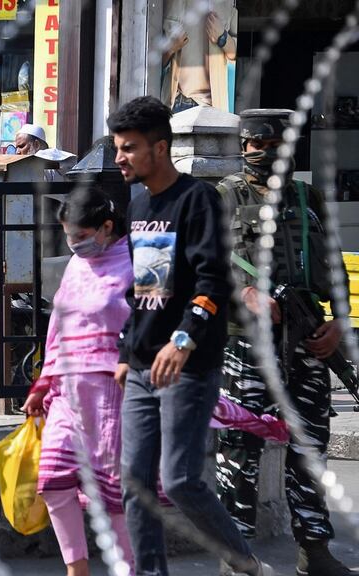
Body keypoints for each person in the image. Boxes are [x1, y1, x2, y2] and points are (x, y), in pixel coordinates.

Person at [109, 96, 273, 576]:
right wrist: (126, 351)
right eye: (118, 147)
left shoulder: (197, 201)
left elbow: (213, 283)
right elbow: (148, 286)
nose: (120, 158)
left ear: (161, 148)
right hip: (142, 367)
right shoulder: (139, 203)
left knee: (179, 480)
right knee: (135, 483)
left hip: (188, 365)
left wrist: (181, 342)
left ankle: (245, 563)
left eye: (129, 148)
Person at [215, 109, 355, 576]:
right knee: (241, 447)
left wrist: (339, 320)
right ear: (244, 145)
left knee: (311, 445)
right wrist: (245, 292)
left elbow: (331, 261)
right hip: (247, 344)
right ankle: (237, 557)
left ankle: (315, 551)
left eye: (275, 147)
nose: (263, 155)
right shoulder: (224, 197)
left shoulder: (306, 196)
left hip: (308, 340)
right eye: (256, 146)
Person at [21, 186, 136, 576]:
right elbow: (59, 324)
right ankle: (77, 570)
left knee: (112, 494)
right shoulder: (75, 266)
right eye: (68, 237)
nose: (74, 245)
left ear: (107, 227)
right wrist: (41, 383)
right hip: (66, 389)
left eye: (81, 237)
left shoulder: (136, 262)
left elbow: (154, 322)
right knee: (53, 480)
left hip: (112, 391)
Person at [162, 0, 238, 113]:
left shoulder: (227, 4)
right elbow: (150, 62)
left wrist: (222, 37)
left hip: (213, 107)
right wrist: (171, 48)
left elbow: (235, 55)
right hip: (176, 103)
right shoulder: (173, 3)